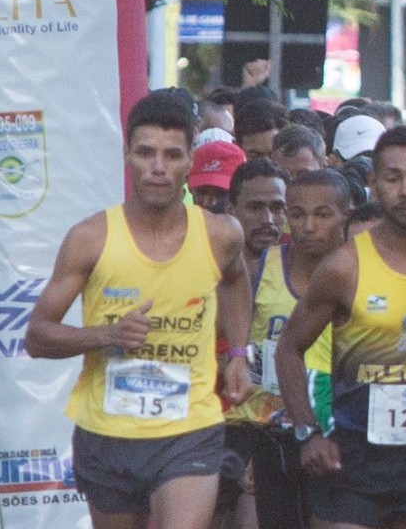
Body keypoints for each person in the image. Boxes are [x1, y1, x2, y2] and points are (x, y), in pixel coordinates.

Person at [24, 94, 253, 529]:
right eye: (145, 153)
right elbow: (38, 337)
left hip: (190, 428)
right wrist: (109, 335)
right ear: (127, 155)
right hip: (109, 433)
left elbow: (236, 280)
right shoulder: (90, 238)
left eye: (172, 155)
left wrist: (239, 353)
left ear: (190, 161)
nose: (158, 167)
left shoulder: (221, 235)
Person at [276, 128, 406, 529]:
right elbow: (289, 349)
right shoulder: (343, 268)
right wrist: (307, 432)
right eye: (392, 177)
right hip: (357, 457)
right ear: (373, 184)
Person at [233, 162, 339, 529]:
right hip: (267, 431)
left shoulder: (358, 273)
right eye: (297, 214)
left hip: (337, 431)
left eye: (321, 214)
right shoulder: (259, 269)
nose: (308, 226)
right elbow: (232, 348)